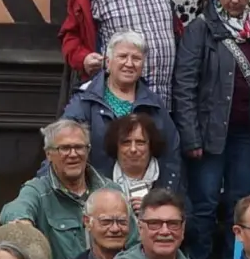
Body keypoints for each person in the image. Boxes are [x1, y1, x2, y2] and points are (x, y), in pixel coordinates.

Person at [174, 0, 250, 259]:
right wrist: (191, 137)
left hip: (247, 134)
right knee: (204, 205)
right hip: (208, 135)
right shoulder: (199, 29)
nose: (234, 0)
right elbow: (184, 85)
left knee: (241, 205)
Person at [61, 30, 182, 195]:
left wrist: (161, 198)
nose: (129, 63)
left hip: (146, 198)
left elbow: (171, 154)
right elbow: (61, 146)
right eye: (123, 56)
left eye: (136, 58)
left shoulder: (154, 103)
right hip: (96, 196)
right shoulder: (85, 102)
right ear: (108, 62)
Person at [1, 119, 113, 259]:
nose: (73, 154)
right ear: (48, 154)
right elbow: (17, 207)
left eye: (79, 147)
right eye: (64, 148)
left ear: (88, 151)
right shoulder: (39, 190)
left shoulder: (110, 190)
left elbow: (134, 244)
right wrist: (23, 223)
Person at [103, 112, 183, 211]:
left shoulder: (171, 177)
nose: (133, 149)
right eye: (126, 143)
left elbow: (186, 216)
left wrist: (153, 211)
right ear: (116, 146)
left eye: (140, 143)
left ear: (151, 146)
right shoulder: (100, 180)